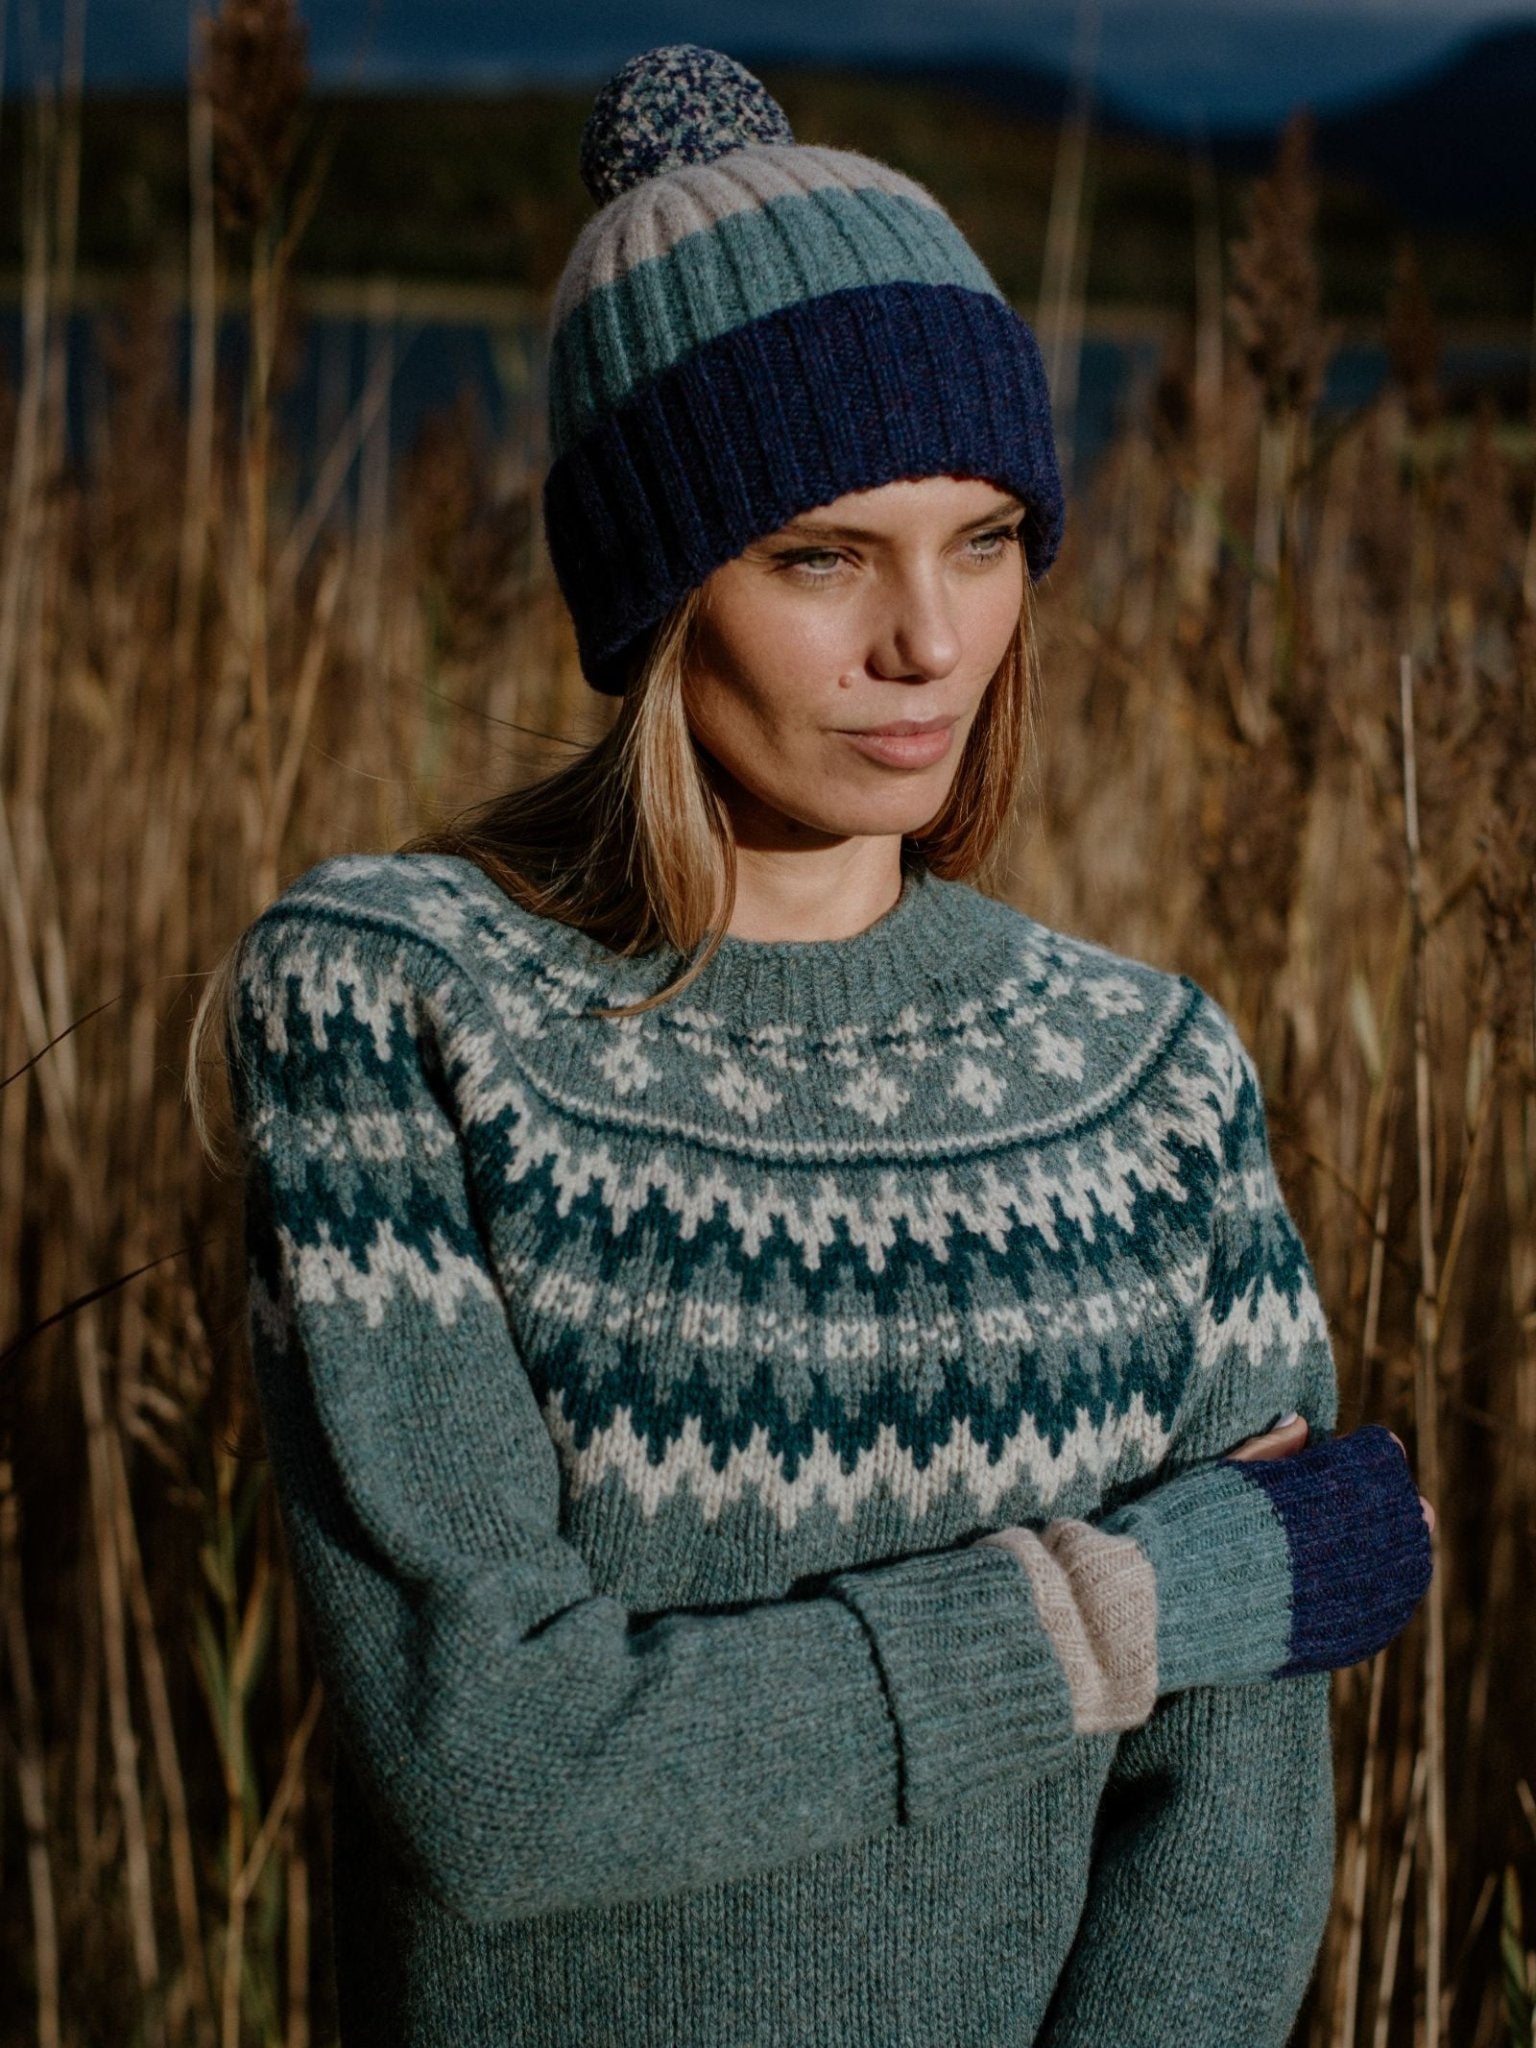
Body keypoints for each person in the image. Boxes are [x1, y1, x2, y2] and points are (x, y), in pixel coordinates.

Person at [193, 45, 1434, 2048]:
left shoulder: (1155, 1079)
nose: (930, 642)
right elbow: (505, 1777)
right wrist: (1138, 1601)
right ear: (663, 592)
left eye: (984, 536)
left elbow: (1229, 1833)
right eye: (821, 555)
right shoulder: (399, 1007)